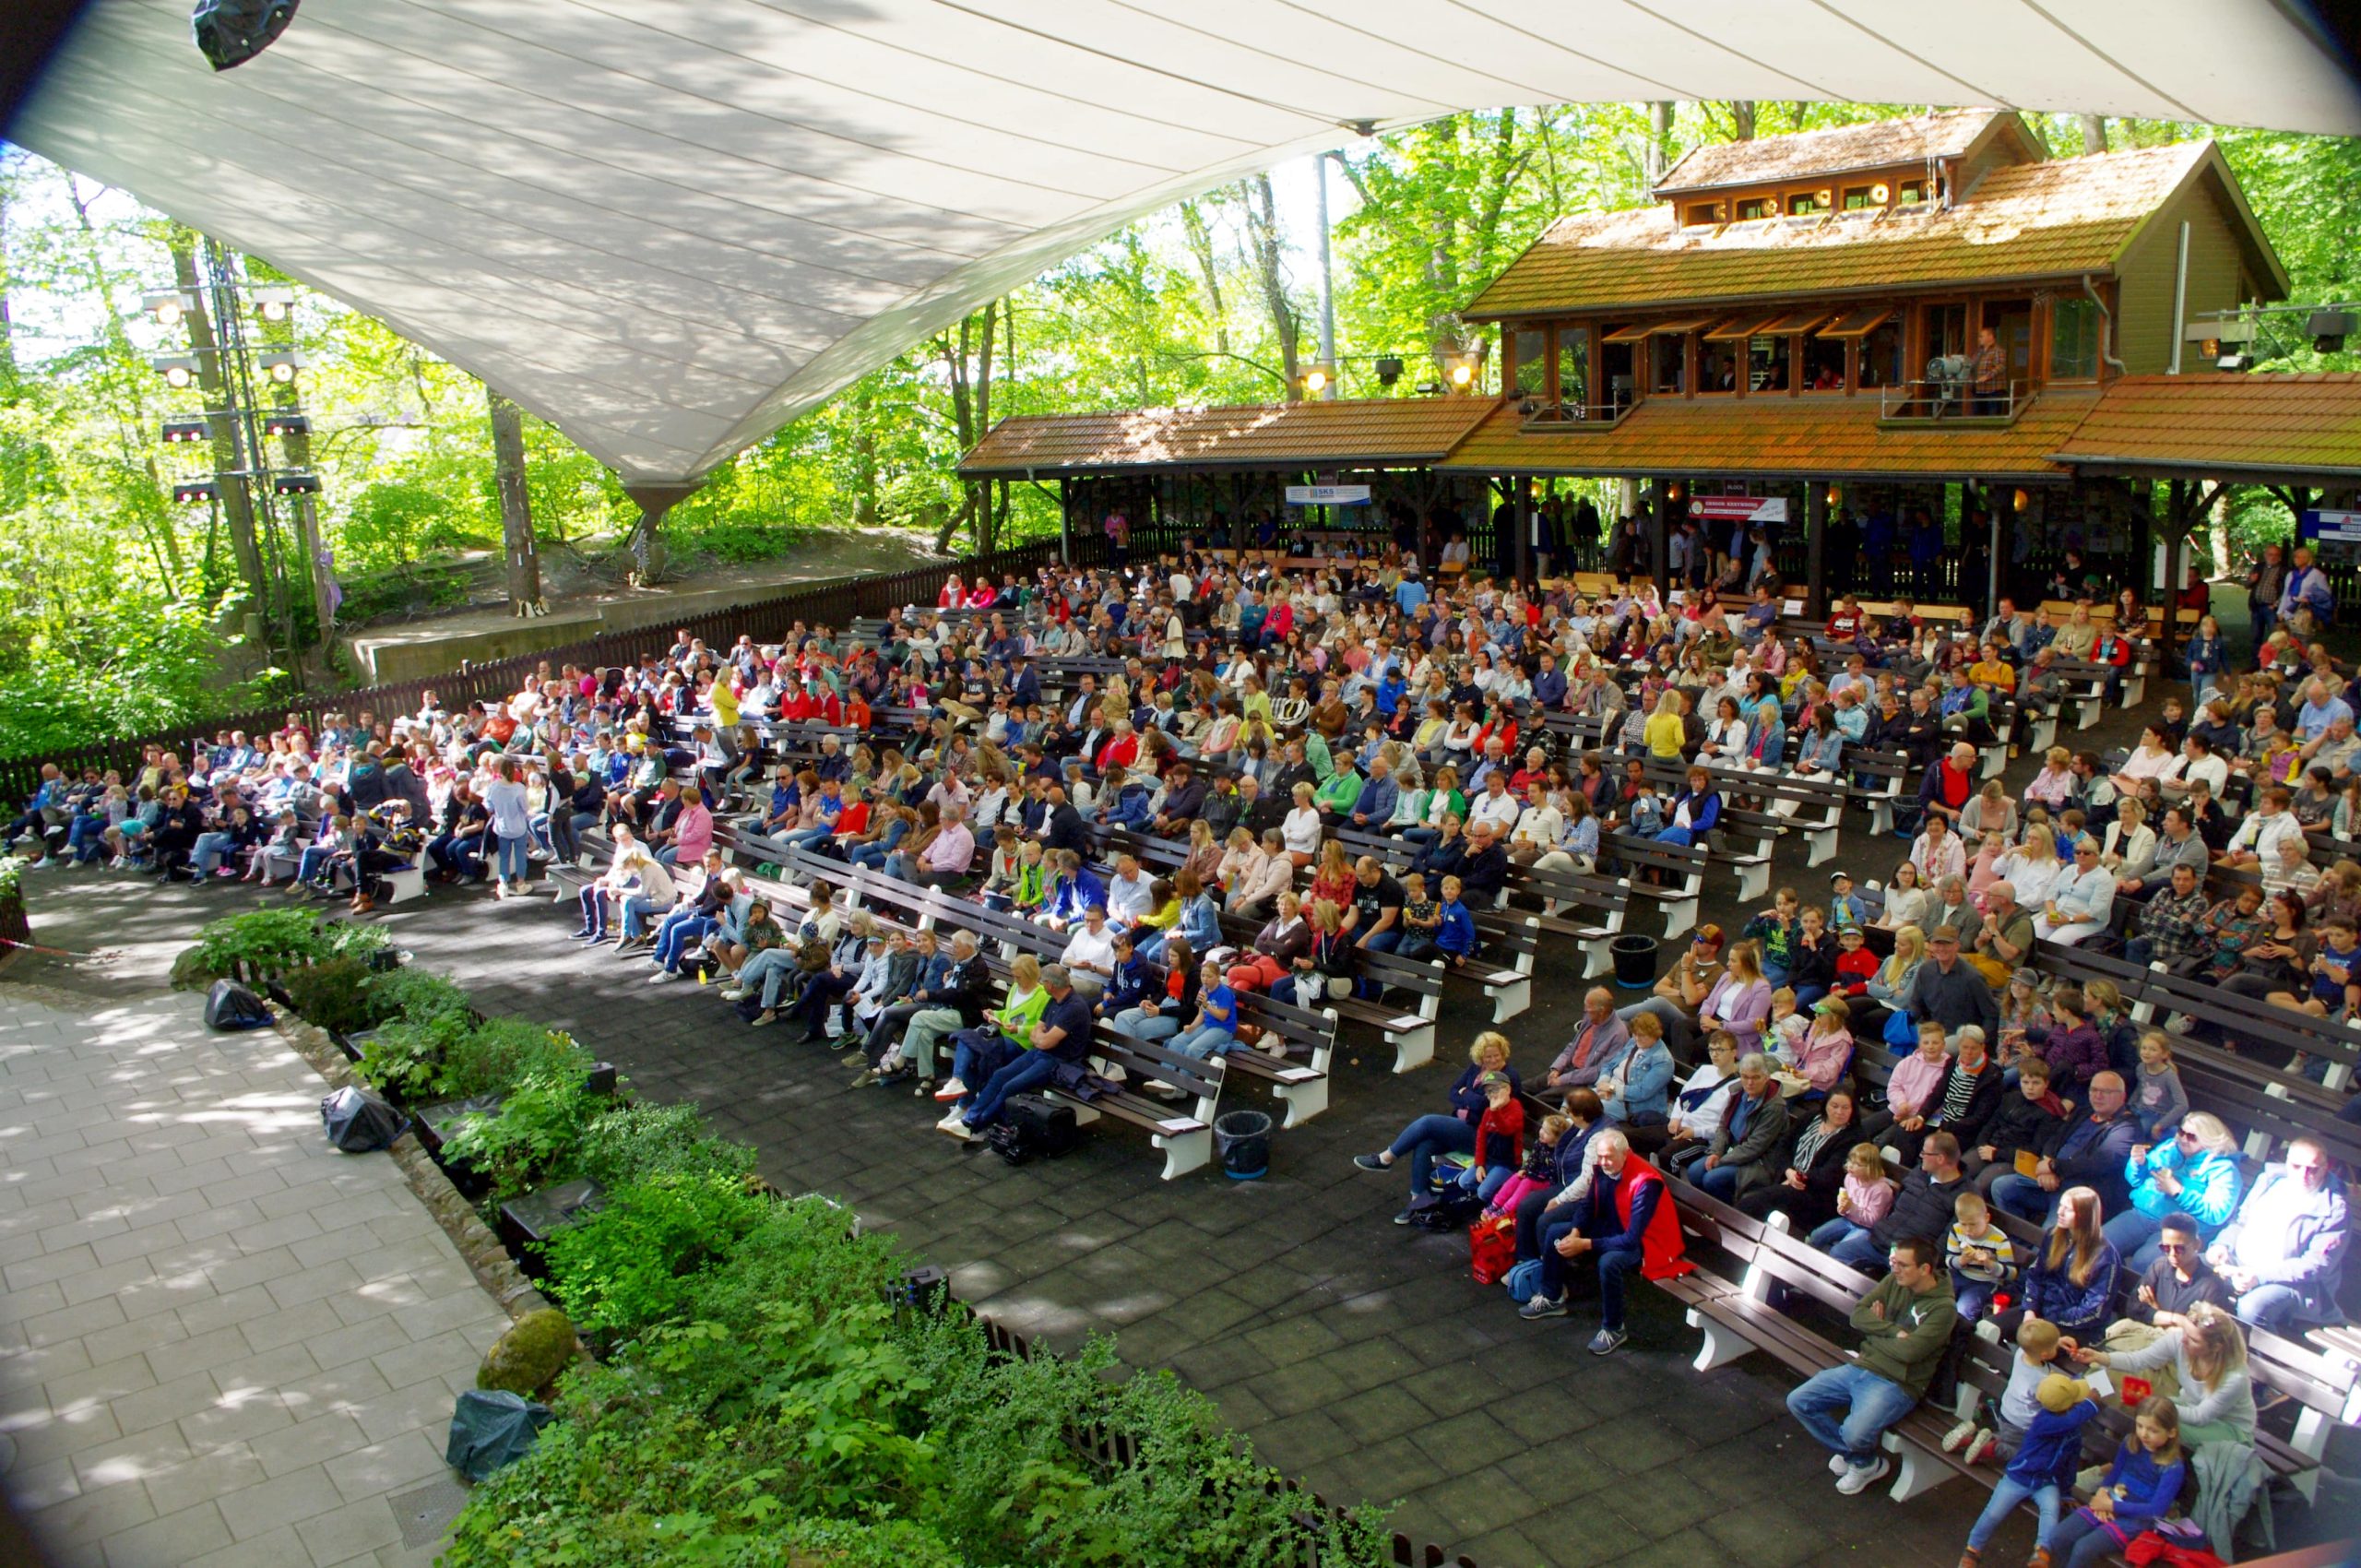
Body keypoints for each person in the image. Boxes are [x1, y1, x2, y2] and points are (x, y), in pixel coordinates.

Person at [1784, 1236, 1958, 1496]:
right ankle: (1863, 1461)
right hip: (1862, 1364)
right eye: (1894, 1262)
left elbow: (1910, 1352)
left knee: (1855, 1433)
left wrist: (1874, 1333)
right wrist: (1891, 1331)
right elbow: (1858, 1314)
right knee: (1799, 1401)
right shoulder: (1895, 1281)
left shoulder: (1943, 1310)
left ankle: (1859, 1458)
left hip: (1897, 1383)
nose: (1895, 1269)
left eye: (1903, 1265)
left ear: (1925, 1269)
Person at [1515, 1129, 1689, 1357]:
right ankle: (1551, 1295)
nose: (1603, 1162)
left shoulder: (1646, 1183)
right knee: (1556, 1232)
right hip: (1614, 1225)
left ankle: (1614, 1328)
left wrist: (1584, 1244)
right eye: (1600, 1157)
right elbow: (1588, 1206)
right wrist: (1576, 1232)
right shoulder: (1603, 1168)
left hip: (1646, 1242)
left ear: (1625, 1154)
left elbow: (1630, 1239)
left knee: (1609, 1262)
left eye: (1609, 1157)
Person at [1353, 1033, 1519, 1224]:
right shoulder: (1476, 1068)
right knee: (1425, 1145)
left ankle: (1386, 1158)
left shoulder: (1507, 1077)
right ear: (1480, 1056)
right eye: (1488, 1056)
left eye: (1496, 1055)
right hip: (1464, 1125)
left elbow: (1483, 1107)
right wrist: (1467, 1098)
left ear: (1503, 1053)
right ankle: (1418, 1202)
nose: (1492, 1060)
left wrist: (1466, 1096)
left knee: (1427, 1122)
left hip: (1485, 1135)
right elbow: (1453, 1091)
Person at [1955, 1372, 2104, 1568]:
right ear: (2069, 1406)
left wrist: (2066, 1492)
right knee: (1993, 1513)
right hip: (2019, 1477)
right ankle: (1972, 1549)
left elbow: (2070, 1463)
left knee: (2051, 1512)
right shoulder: (2045, 1420)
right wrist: (2091, 1404)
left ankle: (2041, 1552)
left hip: (2046, 1482)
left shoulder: (2073, 1435)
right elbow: (2071, 1420)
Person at [2206, 1136, 2349, 1332]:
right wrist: (2222, 1245)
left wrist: (2259, 1276)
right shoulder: (2269, 1181)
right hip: (2240, 1263)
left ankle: (2255, 1360)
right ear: (2287, 1162)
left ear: (2325, 1168)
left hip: (2294, 1285)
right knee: (2193, 1268)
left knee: (2251, 1308)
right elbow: (2240, 1222)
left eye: (2312, 1169)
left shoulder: (2334, 1208)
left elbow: (2316, 1265)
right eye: (2297, 1166)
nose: (2304, 1174)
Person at [938, 963, 1095, 1140]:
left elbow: (1047, 1041)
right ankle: (968, 1119)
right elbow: (1038, 1032)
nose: (1042, 984)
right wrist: (1040, 1038)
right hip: (1039, 1053)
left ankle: (971, 1125)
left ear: (1050, 984)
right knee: (1000, 1075)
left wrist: (1041, 1038)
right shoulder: (1054, 1001)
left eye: (1043, 982)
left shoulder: (1074, 1007)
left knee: (1010, 1086)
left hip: (1058, 1061)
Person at [2076, 1301, 2255, 1448]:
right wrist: (2101, 1357)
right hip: (2185, 1404)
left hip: (2227, 1428)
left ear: (2216, 1347)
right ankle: (2104, 1448)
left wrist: (2153, 1403)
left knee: (2157, 1426)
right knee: (2106, 1380)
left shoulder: (2234, 1377)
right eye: (2185, 1332)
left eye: (2193, 1339)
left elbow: (2199, 1417)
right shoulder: (2180, 1341)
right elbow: (2138, 1360)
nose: (2184, 1339)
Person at [2043, 1397, 2187, 1568]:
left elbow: (2155, 1510)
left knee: (2084, 1548)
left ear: (2171, 1432)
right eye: (2140, 1426)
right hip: (2112, 1500)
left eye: (2153, 1430)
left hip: (2137, 1520)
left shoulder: (2173, 1466)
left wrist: (2110, 1506)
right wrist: (2103, 1492)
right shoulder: (2131, 1443)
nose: (2144, 1434)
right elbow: (2114, 1474)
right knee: (2058, 1537)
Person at [2105, 1112, 2245, 1270]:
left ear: (2209, 1141)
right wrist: (2139, 1163)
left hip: (2180, 1231)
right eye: (2181, 1132)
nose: (2183, 1139)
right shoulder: (2170, 1148)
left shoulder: (2224, 1169)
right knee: (2096, 1245)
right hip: (2142, 1215)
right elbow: (2135, 1180)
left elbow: (2217, 1213)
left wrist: (2178, 1191)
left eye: (2192, 1137)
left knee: (2143, 1263)